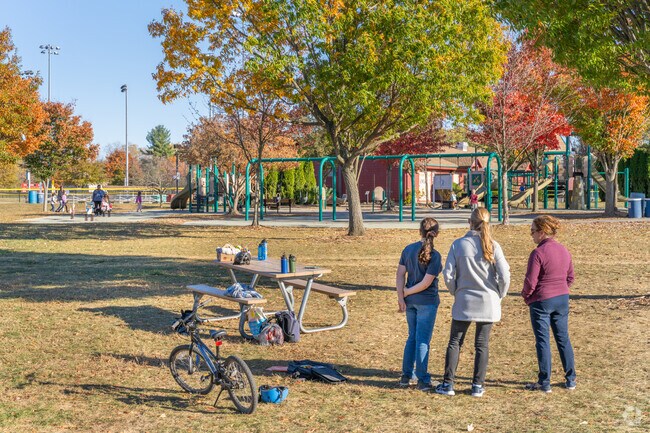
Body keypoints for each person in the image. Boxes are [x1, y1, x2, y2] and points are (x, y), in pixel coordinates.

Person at [435, 208, 510, 398]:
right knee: (481, 344)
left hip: (464, 300)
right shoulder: (493, 246)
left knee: (455, 342)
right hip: (488, 300)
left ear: (470, 221)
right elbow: (505, 275)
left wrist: (456, 291)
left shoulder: (459, 245)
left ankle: (448, 383)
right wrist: (499, 293)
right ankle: (477, 385)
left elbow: (448, 274)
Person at [523, 215, 576, 393]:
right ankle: (570, 379)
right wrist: (561, 288)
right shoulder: (564, 250)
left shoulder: (538, 253)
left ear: (542, 232)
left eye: (533, 231)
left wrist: (527, 296)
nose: (531, 235)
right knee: (563, 339)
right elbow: (570, 277)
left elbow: (531, 281)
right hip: (562, 299)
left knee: (543, 341)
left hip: (541, 300)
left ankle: (544, 381)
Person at [396, 217, 442, 391]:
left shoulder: (408, 249)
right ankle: (422, 378)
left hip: (410, 302)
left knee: (412, 337)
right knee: (423, 340)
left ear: (419, 231)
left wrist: (401, 296)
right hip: (427, 302)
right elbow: (426, 283)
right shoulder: (435, 256)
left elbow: (400, 274)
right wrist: (405, 293)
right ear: (436, 234)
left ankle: (406, 375)